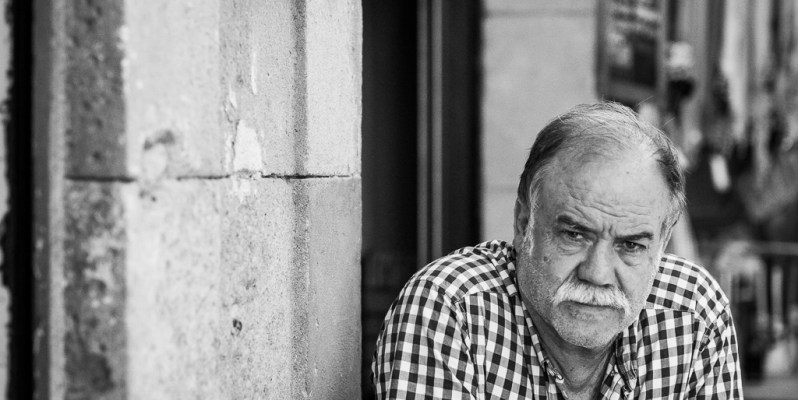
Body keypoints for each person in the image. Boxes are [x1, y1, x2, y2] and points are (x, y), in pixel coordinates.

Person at [371, 103, 742, 399]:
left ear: (662, 244)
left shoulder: (692, 313)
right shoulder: (453, 310)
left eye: (631, 245)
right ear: (523, 223)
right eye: (575, 235)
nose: (597, 274)